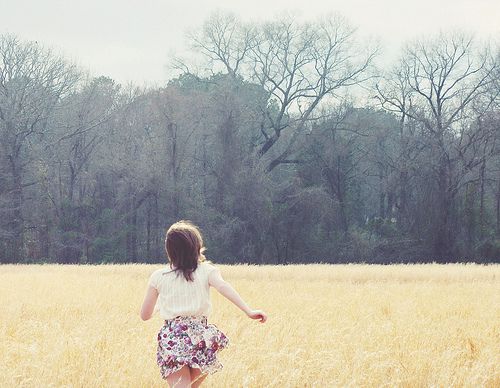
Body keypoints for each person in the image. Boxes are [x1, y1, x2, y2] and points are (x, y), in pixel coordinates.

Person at [141, 220, 268, 387]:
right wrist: (249, 311)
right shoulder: (207, 271)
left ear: (169, 250)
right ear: (196, 247)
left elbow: (144, 315)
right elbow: (224, 287)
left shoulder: (159, 276)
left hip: (172, 338)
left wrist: (160, 306)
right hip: (201, 338)